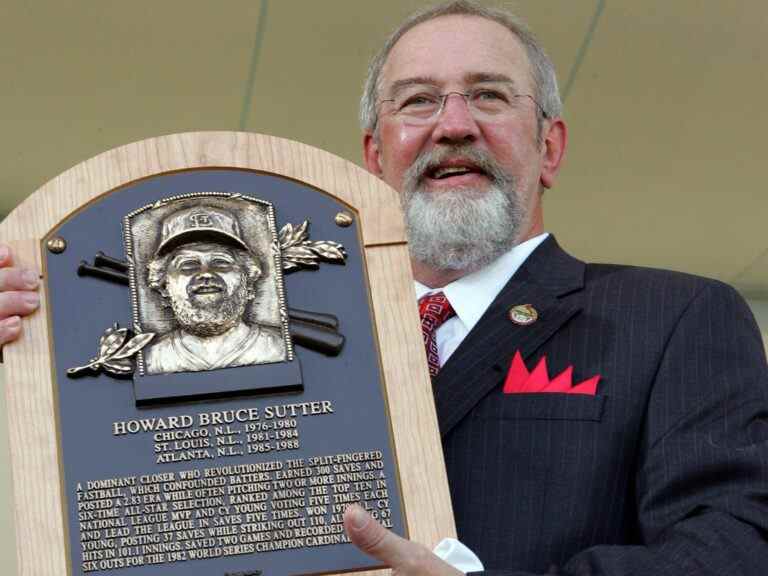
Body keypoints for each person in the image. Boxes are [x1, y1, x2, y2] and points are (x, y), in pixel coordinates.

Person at [2, 2, 767, 574]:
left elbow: (732, 550)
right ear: (374, 158)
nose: (454, 125)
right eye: (418, 101)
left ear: (551, 145)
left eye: (491, 96)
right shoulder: (277, 339)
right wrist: (32, 340)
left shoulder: (676, 318)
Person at [143, 205, 286, 374]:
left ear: (248, 281)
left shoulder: (278, 350)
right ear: (164, 288)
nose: (206, 274)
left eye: (221, 262)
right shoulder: (151, 360)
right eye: (188, 265)